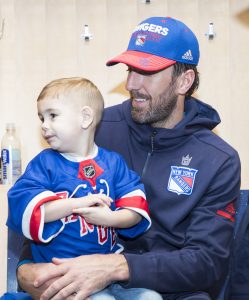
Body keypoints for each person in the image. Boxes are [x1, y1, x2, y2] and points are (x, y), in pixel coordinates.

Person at [16, 16, 241, 300]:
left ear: (184, 81)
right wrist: (26, 267)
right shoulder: (95, 127)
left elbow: (207, 262)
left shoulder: (218, 159)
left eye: (146, 72)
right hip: (73, 273)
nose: (131, 83)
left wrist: (117, 266)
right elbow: (43, 196)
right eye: (129, 69)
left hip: (170, 291)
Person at [7, 77, 163, 300]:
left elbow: (135, 210)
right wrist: (75, 204)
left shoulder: (113, 163)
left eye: (53, 115)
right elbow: (25, 208)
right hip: (62, 276)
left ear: (85, 117)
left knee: (151, 298)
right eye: (41, 117)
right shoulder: (44, 164)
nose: (44, 124)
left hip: (108, 275)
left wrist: (109, 219)